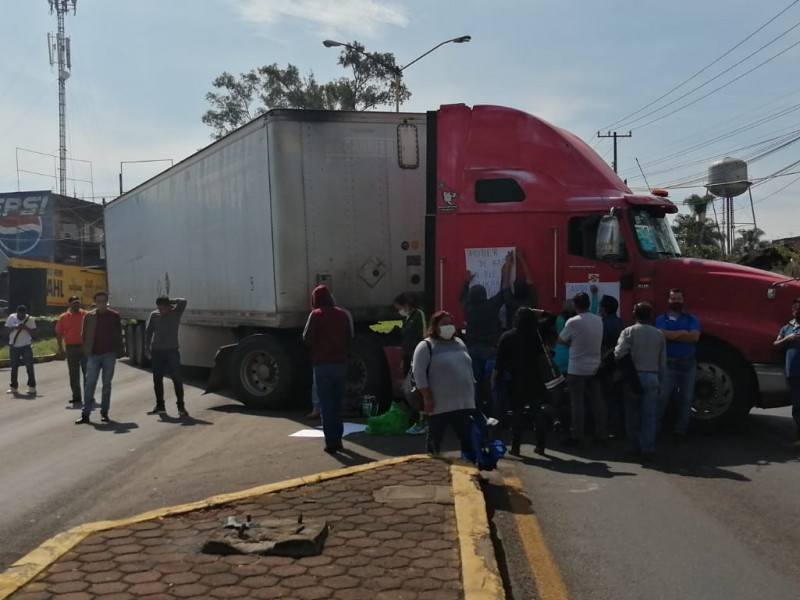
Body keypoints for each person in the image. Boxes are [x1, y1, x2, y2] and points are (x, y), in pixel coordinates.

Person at [412, 311, 476, 456]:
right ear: (435, 326)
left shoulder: (459, 342)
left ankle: (470, 467)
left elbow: (467, 367)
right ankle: (433, 470)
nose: (449, 327)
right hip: (440, 404)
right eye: (444, 324)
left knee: (468, 439)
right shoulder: (425, 346)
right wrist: (427, 397)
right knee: (435, 440)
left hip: (463, 403)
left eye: (450, 323)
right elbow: (419, 373)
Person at [492, 307, 549, 456]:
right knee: (537, 411)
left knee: (517, 412)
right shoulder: (537, 336)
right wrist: (535, 311)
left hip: (515, 380)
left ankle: (516, 447)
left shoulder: (507, 336)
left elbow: (498, 363)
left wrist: (493, 380)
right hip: (535, 379)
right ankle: (541, 445)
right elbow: (550, 317)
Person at [302, 285, 352, 454]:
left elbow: (307, 338)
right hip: (340, 363)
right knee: (338, 404)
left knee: (326, 405)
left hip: (322, 364)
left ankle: (331, 442)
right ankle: (339, 438)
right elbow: (349, 336)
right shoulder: (342, 314)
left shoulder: (315, 315)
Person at [614, 302, 667, 461]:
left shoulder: (628, 332)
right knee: (649, 414)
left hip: (633, 377)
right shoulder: (659, 334)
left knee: (632, 413)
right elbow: (662, 361)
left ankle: (633, 446)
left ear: (634, 314)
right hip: (652, 376)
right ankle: (648, 447)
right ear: (650, 315)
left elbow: (619, 354)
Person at [460, 252, 512, 411]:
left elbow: (461, 298)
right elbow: (503, 294)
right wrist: (506, 270)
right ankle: (494, 407)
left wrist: (466, 281)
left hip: (472, 349)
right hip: (489, 349)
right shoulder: (490, 307)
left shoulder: (468, 309)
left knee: (474, 380)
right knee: (491, 380)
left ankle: (476, 407)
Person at [557, 291, 607, 445]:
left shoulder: (573, 321)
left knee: (577, 404)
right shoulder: (598, 320)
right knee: (598, 402)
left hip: (577, 368)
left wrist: (571, 344)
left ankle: (577, 435)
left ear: (574, 305)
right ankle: (602, 434)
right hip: (595, 367)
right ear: (589, 304)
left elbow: (561, 339)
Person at [655, 288, 701, 435]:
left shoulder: (692, 318)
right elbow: (661, 334)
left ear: (683, 300)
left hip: (688, 364)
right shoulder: (661, 318)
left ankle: (680, 430)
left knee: (686, 399)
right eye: (673, 299)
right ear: (668, 301)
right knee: (662, 399)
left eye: (678, 299)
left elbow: (694, 337)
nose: (676, 301)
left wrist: (672, 335)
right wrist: (682, 333)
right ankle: (655, 429)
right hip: (668, 364)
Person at [75, 291, 124, 425]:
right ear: (95, 302)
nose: (101, 304)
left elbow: (118, 335)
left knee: (106, 384)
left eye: (104, 301)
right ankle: (85, 414)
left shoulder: (114, 316)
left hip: (109, 354)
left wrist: (119, 351)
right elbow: (83, 335)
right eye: (99, 301)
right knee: (89, 384)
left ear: (107, 302)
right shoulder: (89, 316)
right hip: (93, 355)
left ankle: (104, 412)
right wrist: (87, 351)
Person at [145, 296, 188, 417]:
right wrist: (147, 348)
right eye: (159, 308)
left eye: (164, 308)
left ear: (169, 307)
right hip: (157, 352)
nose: (161, 311)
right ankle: (160, 406)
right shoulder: (154, 315)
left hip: (172, 351)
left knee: (177, 379)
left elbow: (183, 301)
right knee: (157, 379)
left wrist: (171, 300)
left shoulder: (175, 314)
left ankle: (181, 406)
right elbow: (149, 332)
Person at [394, 292, 428, 434]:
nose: (399, 311)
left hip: (417, 356)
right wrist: (403, 358)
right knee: (409, 389)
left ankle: (422, 421)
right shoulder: (407, 318)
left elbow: (424, 335)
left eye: (399, 307)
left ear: (406, 305)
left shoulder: (418, 315)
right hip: (408, 355)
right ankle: (414, 419)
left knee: (417, 389)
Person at [773, 297, 800, 450]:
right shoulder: (787, 328)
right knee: (797, 405)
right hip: (793, 372)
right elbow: (776, 344)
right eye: (795, 309)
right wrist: (788, 339)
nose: (797, 312)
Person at [599, 295, 624, 437]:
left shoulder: (603, 324)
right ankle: (616, 426)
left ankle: (607, 427)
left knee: (606, 397)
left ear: (604, 308)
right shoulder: (620, 322)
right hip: (618, 364)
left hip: (606, 364)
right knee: (617, 398)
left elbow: (602, 345)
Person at [55, 295, 87, 406]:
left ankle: (89, 395)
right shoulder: (63, 317)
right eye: (74, 303)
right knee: (74, 374)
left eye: (78, 302)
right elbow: (59, 334)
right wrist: (61, 349)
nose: (76, 304)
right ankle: (76, 397)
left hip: (84, 347)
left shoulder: (86, 315)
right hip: (71, 348)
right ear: (69, 304)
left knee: (87, 373)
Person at [502, 249, 539, 330]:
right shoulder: (531, 301)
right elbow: (529, 279)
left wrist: (508, 263)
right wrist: (521, 258)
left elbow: (505, 282)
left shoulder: (511, 302)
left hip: (512, 336)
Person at [5, 304, 36, 396]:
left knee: (29, 367)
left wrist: (25, 328)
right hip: (14, 346)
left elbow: (34, 333)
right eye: (20, 314)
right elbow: (5, 331)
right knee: (14, 367)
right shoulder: (11, 318)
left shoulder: (30, 319)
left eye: (23, 314)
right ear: (17, 313)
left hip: (26, 345)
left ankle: (32, 387)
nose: (21, 316)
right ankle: (13, 387)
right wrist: (15, 327)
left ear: (26, 313)